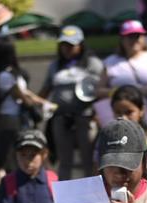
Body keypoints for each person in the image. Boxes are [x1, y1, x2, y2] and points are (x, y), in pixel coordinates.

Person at [0, 40, 52, 184]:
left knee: (12, 151)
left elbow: (25, 92)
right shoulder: (5, 75)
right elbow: (19, 94)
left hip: (13, 117)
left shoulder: (4, 73)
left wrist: (42, 102)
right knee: (13, 151)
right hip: (9, 118)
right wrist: (33, 108)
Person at [40, 26, 103, 181]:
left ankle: (91, 193)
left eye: (71, 45)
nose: (67, 49)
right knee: (64, 160)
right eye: (63, 45)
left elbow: (101, 89)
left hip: (86, 117)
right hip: (61, 118)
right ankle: (64, 194)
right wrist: (33, 103)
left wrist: (98, 114)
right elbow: (46, 89)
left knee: (88, 160)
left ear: (81, 45)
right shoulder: (55, 65)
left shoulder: (93, 63)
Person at [99, 20, 147, 131]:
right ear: (122, 39)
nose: (134, 40)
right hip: (123, 120)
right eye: (130, 36)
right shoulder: (110, 61)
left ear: (143, 38)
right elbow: (99, 90)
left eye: (137, 36)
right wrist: (120, 93)